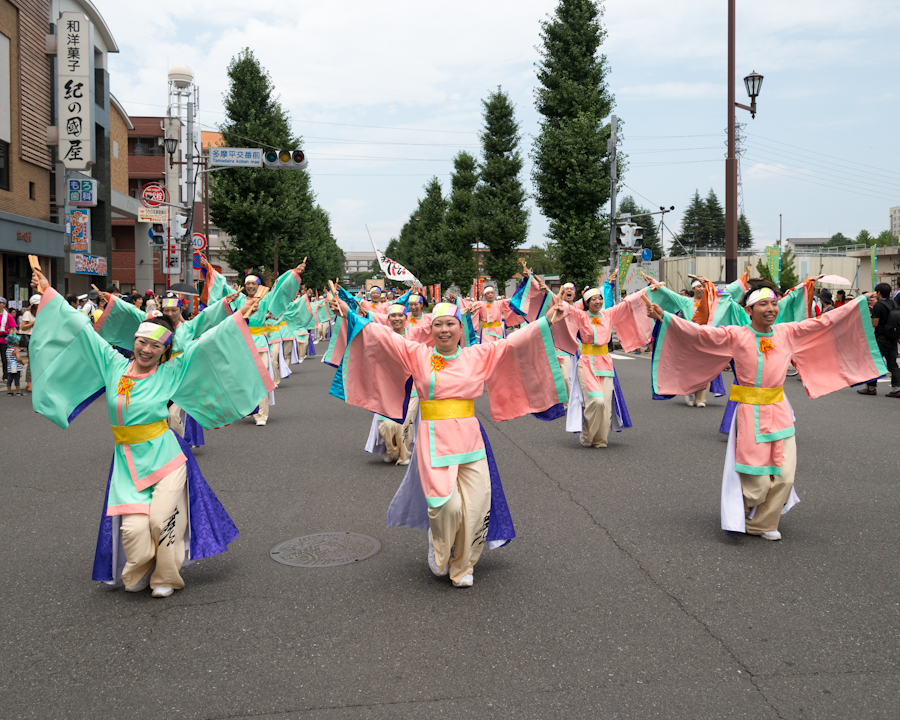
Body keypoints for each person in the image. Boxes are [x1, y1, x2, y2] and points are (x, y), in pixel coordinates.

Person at [29, 267, 273, 597]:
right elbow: (80, 331)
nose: (146, 350)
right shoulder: (112, 364)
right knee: (134, 537)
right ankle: (143, 567)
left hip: (166, 458)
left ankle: (166, 577)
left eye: (154, 347)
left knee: (162, 523)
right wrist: (47, 291)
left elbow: (207, 344)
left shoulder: (171, 371)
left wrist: (240, 315)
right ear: (135, 341)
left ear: (163, 351)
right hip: (127, 466)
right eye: (142, 343)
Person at [325, 296, 568, 587]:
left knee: (476, 510)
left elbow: (513, 343)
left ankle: (463, 566)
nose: (444, 329)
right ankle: (440, 547)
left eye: (450, 324)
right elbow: (381, 336)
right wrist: (350, 315)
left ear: (460, 329)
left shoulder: (478, 355)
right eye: (438, 324)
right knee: (446, 507)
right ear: (431, 329)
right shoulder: (417, 353)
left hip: (470, 441)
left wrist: (547, 321)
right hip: (433, 440)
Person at [646, 282, 887, 541]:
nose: (771, 308)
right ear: (749, 310)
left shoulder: (788, 332)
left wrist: (858, 304)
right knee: (756, 482)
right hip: (749, 413)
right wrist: (665, 317)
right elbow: (700, 335)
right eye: (763, 304)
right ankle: (744, 508)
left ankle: (763, 523)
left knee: (784, 476)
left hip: (780, 411)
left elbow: (825, 323)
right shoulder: (736, 335)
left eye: (774, 303)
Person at [207, 261, 308, 425]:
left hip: (260, 341)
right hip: (241, 342)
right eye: (248, 284)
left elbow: (280, 288)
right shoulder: (239, 298)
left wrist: (294, 273)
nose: (250, 286)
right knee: (243, 378)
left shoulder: (266, 297)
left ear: (258, 284)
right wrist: (210, 270)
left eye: (253, 283)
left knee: (261, 378)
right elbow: (223, 288)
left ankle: (262, 414)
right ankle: (248, 407)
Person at [858, 282, 900, 398]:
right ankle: (897, 389)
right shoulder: (894, 303)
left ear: (879, 293)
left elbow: (875, 323)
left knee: (873, 362)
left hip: (880, 338)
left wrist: (869, 317)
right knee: (893, 365)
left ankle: (871, 388)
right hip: (892, 338)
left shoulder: (878, 306)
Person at [0, 296, 18, 381]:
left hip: (4, 339)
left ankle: (5, 375)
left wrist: (10, 341)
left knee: (5, 358)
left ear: (4, 304)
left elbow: (11, 328)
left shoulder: (8, 316)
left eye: (1, 303)